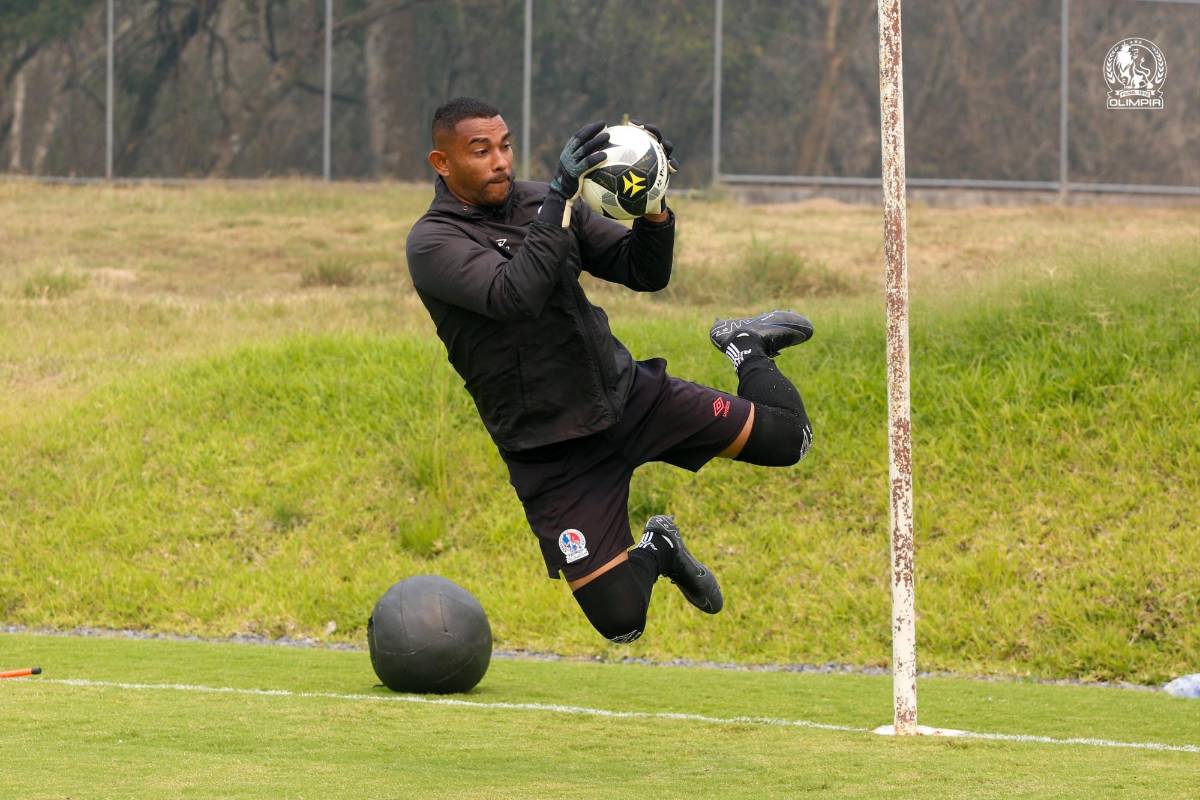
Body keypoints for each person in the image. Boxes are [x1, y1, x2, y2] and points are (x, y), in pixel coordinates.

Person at [406, 97, 814, 644]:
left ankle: (744, 346)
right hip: (551, 453)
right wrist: (558, 200)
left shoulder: (539, 204)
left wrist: (653, 204)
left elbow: (642, 271)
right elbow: (513, 295)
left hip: (629, 399)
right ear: (442, 162)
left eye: (505, 146)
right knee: (622, 622)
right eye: (481, 151)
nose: (501, 161)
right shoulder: (433, 243)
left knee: (791, 439)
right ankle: (659, 547)